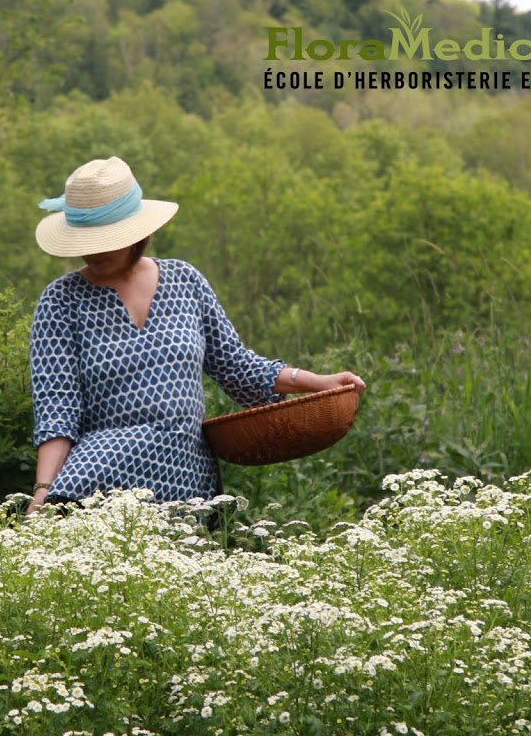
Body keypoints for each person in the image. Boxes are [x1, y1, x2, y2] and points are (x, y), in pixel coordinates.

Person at [27, 156, 365, 514]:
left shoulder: (186, 281)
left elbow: (238, 367)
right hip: (101, 477)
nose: (94, 251)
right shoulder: (60, 301)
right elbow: (56, 411)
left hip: (187, 481)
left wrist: (319, 383)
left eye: (105, 238)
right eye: (86, 239)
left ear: (135, 231)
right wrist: (42, 492)